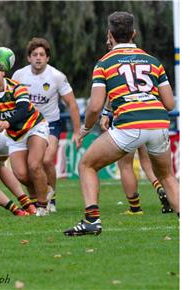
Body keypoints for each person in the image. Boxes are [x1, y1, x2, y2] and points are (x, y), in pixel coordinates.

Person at [63, 11, 180, 236]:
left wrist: (86, 129)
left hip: (129, 125)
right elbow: (169, 103)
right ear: (134, 33)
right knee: (167, 176)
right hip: (158, 124)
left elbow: (95, 106)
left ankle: (91, 221)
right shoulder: (153, 61)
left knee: (87, 165)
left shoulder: (104, 63)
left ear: (110, 34)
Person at [12, 37, 82, 213]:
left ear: (47, 58)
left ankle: (52, 198)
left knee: (47, 159)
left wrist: (76, 131)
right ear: (28, 58)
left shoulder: (56, 76)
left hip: (50, 123)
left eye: (42, 54)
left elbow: (72, 104)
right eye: (34, 54)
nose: (38, 58)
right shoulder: (19, 75)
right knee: (26, 170)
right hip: (26, 125)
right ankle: (40, 194)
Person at [0, 59, 50, 216]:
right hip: (15, 135)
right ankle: (44, 189)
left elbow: (23, 110)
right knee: (21, 175)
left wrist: (7, 122)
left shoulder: (17, 87)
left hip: (35, 127)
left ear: (3, 72)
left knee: (34, 165)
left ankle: (43, 206)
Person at [99, 108, 173, 214]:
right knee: (147, 164)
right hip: (148, 120)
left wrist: (105, 112)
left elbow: (102, 103)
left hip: (127, 121)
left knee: (125, 165)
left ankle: (135, 208)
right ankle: (160, 188)